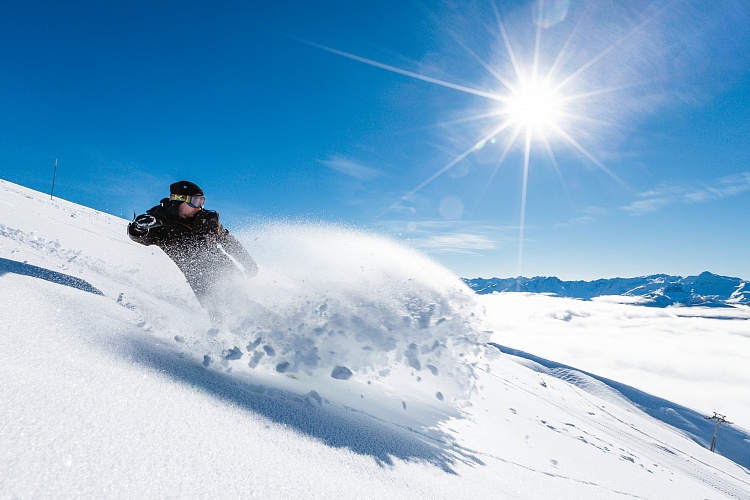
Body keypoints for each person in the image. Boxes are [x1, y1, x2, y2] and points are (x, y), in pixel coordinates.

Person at [127, 181, 257, 317]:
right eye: (195, 201)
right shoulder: (161, 221)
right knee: (220, 315)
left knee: (245, 307)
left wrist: (247, 262)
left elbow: (228, 240)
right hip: (201, 282)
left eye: (202, 201)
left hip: (227, 272)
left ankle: (273, 328)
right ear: (178, 200)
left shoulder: (207, 219)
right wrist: (138, 229)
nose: (199, 207)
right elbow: (144, 238)